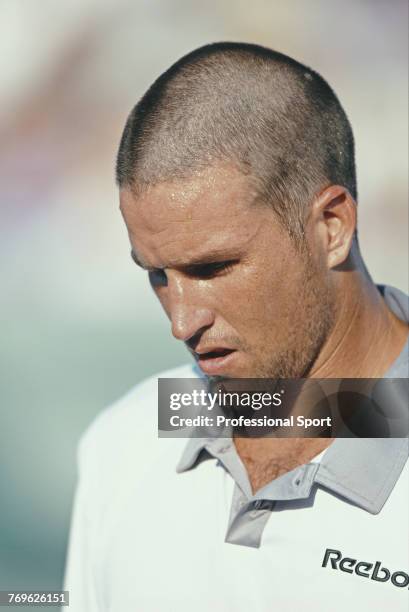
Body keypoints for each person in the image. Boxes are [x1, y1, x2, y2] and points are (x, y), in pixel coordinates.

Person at [63, 43, 409, 611]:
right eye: (157, 274)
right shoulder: (120, 445)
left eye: (212, 268)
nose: (180, 320)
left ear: (331, 226)